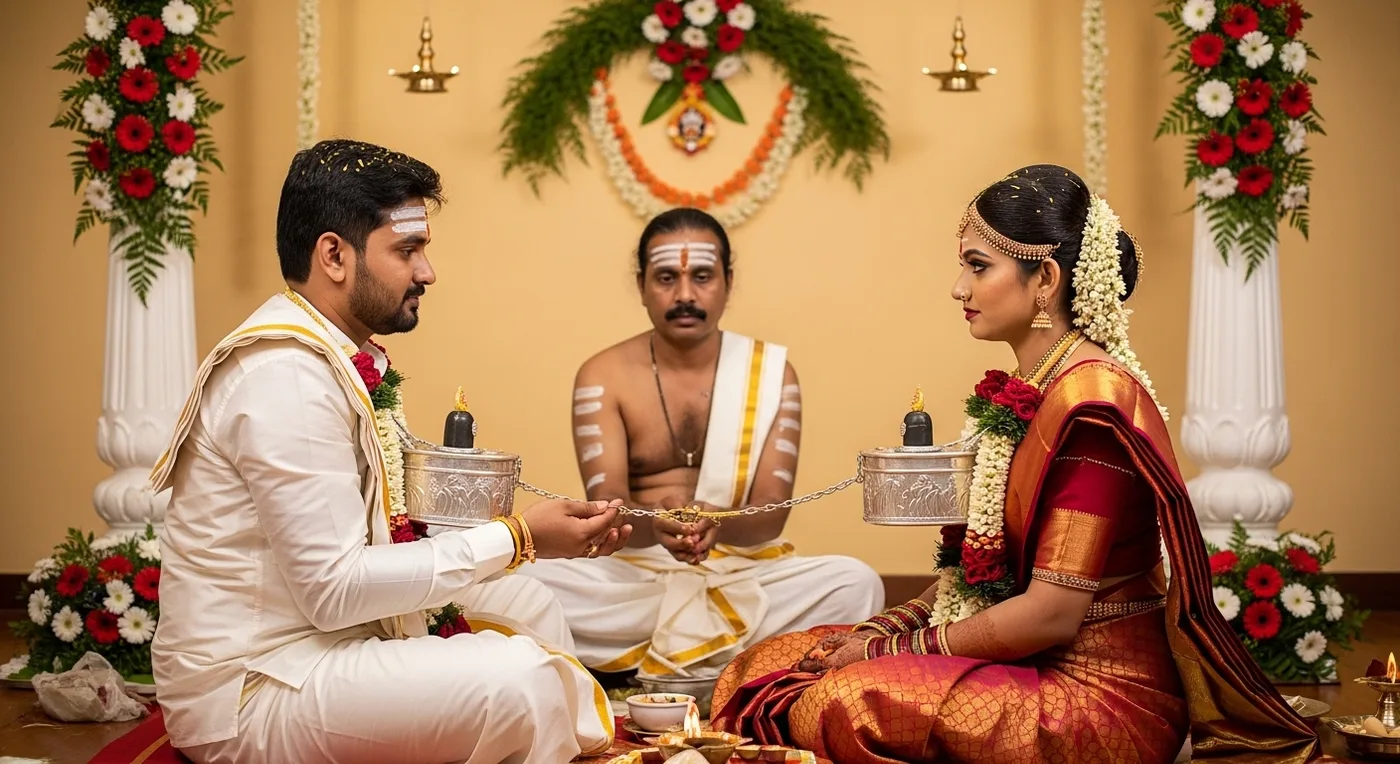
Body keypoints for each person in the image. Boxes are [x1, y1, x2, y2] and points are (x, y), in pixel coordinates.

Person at [709, 165, 1322, 763]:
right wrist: (882, 629)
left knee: (846, 701)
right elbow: (978, 580)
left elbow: (1051, 615)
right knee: (769, 662)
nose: (958, 288)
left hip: (1099, 696)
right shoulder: (1031, 389)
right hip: (1025, 663)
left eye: (978, 266)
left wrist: (887, 650)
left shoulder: (1092, 409)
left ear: (1045, 278)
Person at [149, 139, 634, 763]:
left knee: (530, 601)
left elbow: (384, 531)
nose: (427, 272)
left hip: (324, 643)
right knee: (516, 681)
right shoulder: (284, 378)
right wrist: (517, 539)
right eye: (408, 250)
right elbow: (334, 592)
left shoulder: (343, 356)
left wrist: (519, 533)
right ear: (334, 255)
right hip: (255, 685)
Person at [519, 208, 883, 678]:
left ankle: (674, 659)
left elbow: (771, 515)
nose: (685, 295)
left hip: (741, 568)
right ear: (642, 285)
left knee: (855, 583)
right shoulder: (603, 375)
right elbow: (604, 508)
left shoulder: (771, 375)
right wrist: (658, 524)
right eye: (667, 277)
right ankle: (738, 662)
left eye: (703, 277)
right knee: (527, 580)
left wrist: (720, 525)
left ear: (728, 283)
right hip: (634, 575)